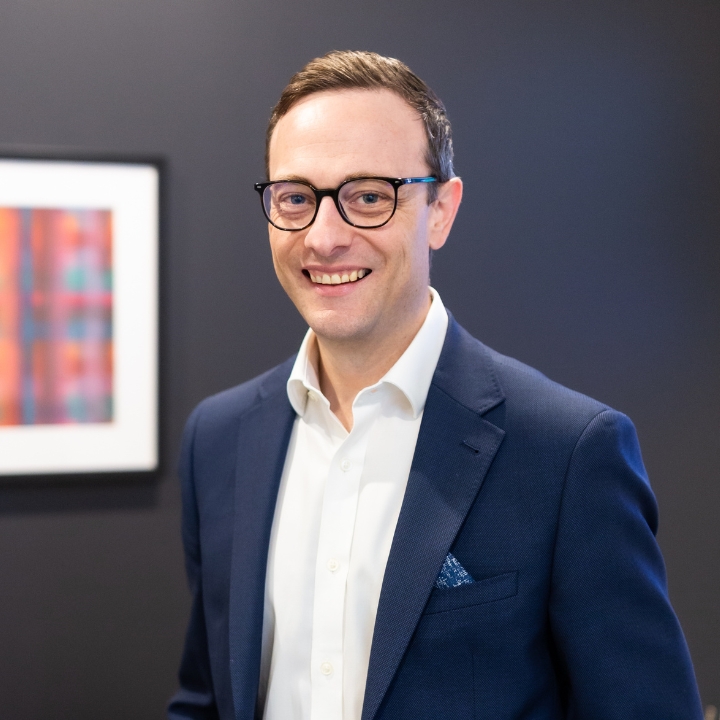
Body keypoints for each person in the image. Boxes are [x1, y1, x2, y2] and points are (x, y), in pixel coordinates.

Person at [168, 50, 702, 720]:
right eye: (296, 199)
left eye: (367, 197)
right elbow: (208, 699)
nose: (324, 237)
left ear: (441, 210)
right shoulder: (217, 440)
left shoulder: (566, 452)